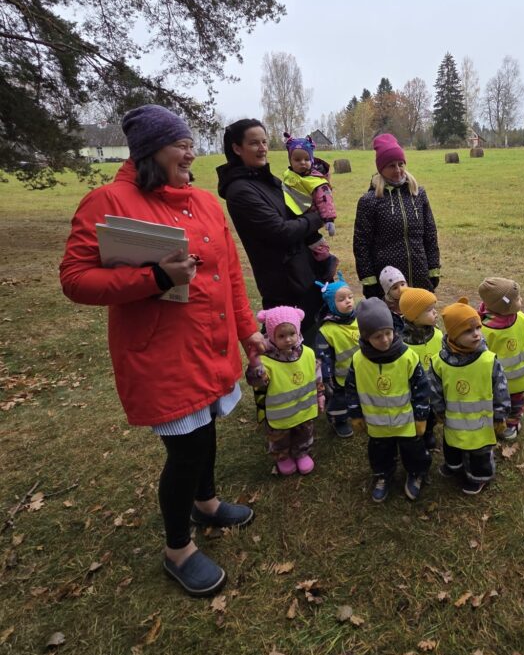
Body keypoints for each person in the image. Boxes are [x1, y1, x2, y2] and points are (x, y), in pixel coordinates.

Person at [60, 105, 264, 597]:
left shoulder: (205, 203)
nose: (191, 153)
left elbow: (230, 275)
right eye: (181, 145)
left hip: (212, 343)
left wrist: (247, 333)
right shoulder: (109, 202)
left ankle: (206, 503)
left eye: (191, 143)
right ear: (151, 150)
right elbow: (75, 279)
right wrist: (153, 277)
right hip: (163, 355)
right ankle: (178, 550)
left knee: (207, 429)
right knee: (186, 448)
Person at [217, 119, 325, 339]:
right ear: (237, 148)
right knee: (292, 351)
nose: (263, 148)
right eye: (254, 143)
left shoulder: (266, 180)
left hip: (303, 279)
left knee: (315, 351)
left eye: (264, 142)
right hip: (285, 289)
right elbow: (281, 232)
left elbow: (293, 211)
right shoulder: (240, 191)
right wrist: (317, 217)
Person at [345, 298, 432, 503]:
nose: (384, 340)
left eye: (388, 333)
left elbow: (421, 387)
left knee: (414, 450)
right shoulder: (358, 360)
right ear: (365, 337)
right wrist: (355, 414)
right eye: (377, 336)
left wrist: (421, 417)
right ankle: (382, 474)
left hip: (407, 421)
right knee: (379, 451)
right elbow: (351, 388)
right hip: (377, 423)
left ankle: (417, 472)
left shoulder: (408, 357)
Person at [430, 299, 510, 495]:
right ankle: (454, 465)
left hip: (480, 423)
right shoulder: (440, 362)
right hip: (453, 420)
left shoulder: (488, 360)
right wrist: (438, 410)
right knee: (452, 444)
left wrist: (500, 414)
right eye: (468, 331)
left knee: (479, 452)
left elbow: (501, 388)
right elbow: (434, 388)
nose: (476, 334)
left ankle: (479, 476)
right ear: (453, 335)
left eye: (478, 328)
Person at [353, 133, 441, 298]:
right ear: (381, 169)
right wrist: (369, 280)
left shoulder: (418, 194)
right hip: (389, 283)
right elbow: (361, 244)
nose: (398, 170)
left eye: (401, 164)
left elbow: (430, 234)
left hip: (420, 275)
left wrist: (433, 268)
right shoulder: (369, 201)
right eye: (391, 166)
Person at [247, 306, 323, 475]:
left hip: (304, 411)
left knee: (304, 433)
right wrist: (255, 366)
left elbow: (317, 376)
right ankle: (282, 457)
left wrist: (320, 395)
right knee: (279, 438)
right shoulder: (266, 361)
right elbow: (256, 383)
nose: (288, 340)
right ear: (271, 336)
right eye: (281, 336)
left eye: (292, 334)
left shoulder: (308, 354)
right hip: (279, 415)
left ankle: (301, 452)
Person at [478, 277, 524, 441]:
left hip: (518, 380)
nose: (521, 300)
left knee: (516, 403)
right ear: (505, 305)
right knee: (496, 404)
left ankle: (512, 423)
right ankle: (497, 423)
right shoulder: (484, 329)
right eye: (517, 298)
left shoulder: (523, 319)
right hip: (494, 382)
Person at [281, 132, 337, 283]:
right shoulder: (289, 176)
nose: (302, 163)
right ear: (290, 160)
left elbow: (325, 200)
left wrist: (329, 219)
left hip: (310, 218)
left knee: (316, 243)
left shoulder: (316, 180)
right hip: (293, 220)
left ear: (312, 159)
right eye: (297, 160)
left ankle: (327, 263)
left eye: (306, 159)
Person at [314, 274, 359, 439]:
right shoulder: (326, 331)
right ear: (331, 304)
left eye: (350, 297)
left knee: (358, 395)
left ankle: (358, 412)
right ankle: (339, 420)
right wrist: (327, 379)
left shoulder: (359, 319)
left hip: (360, 371)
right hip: (339, 377)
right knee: (339, 400)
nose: (348, 301)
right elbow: (323, 358)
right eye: (341, 299)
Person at [399, 286, 441, 450]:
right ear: (414, 316)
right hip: (413, 392)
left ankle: (429, 431)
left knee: (431, 413)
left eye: (434, 308)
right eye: (429, 310)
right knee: (415, 412)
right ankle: (414, 434)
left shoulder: (437, 335)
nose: (435, 312)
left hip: (434, 388)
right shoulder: (402, 343)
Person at [379, 265, 407, 334]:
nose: (400, 289)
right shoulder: (384, 310)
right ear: (388, 292)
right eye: (395, 288)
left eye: (402, 284)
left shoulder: (412, 300)